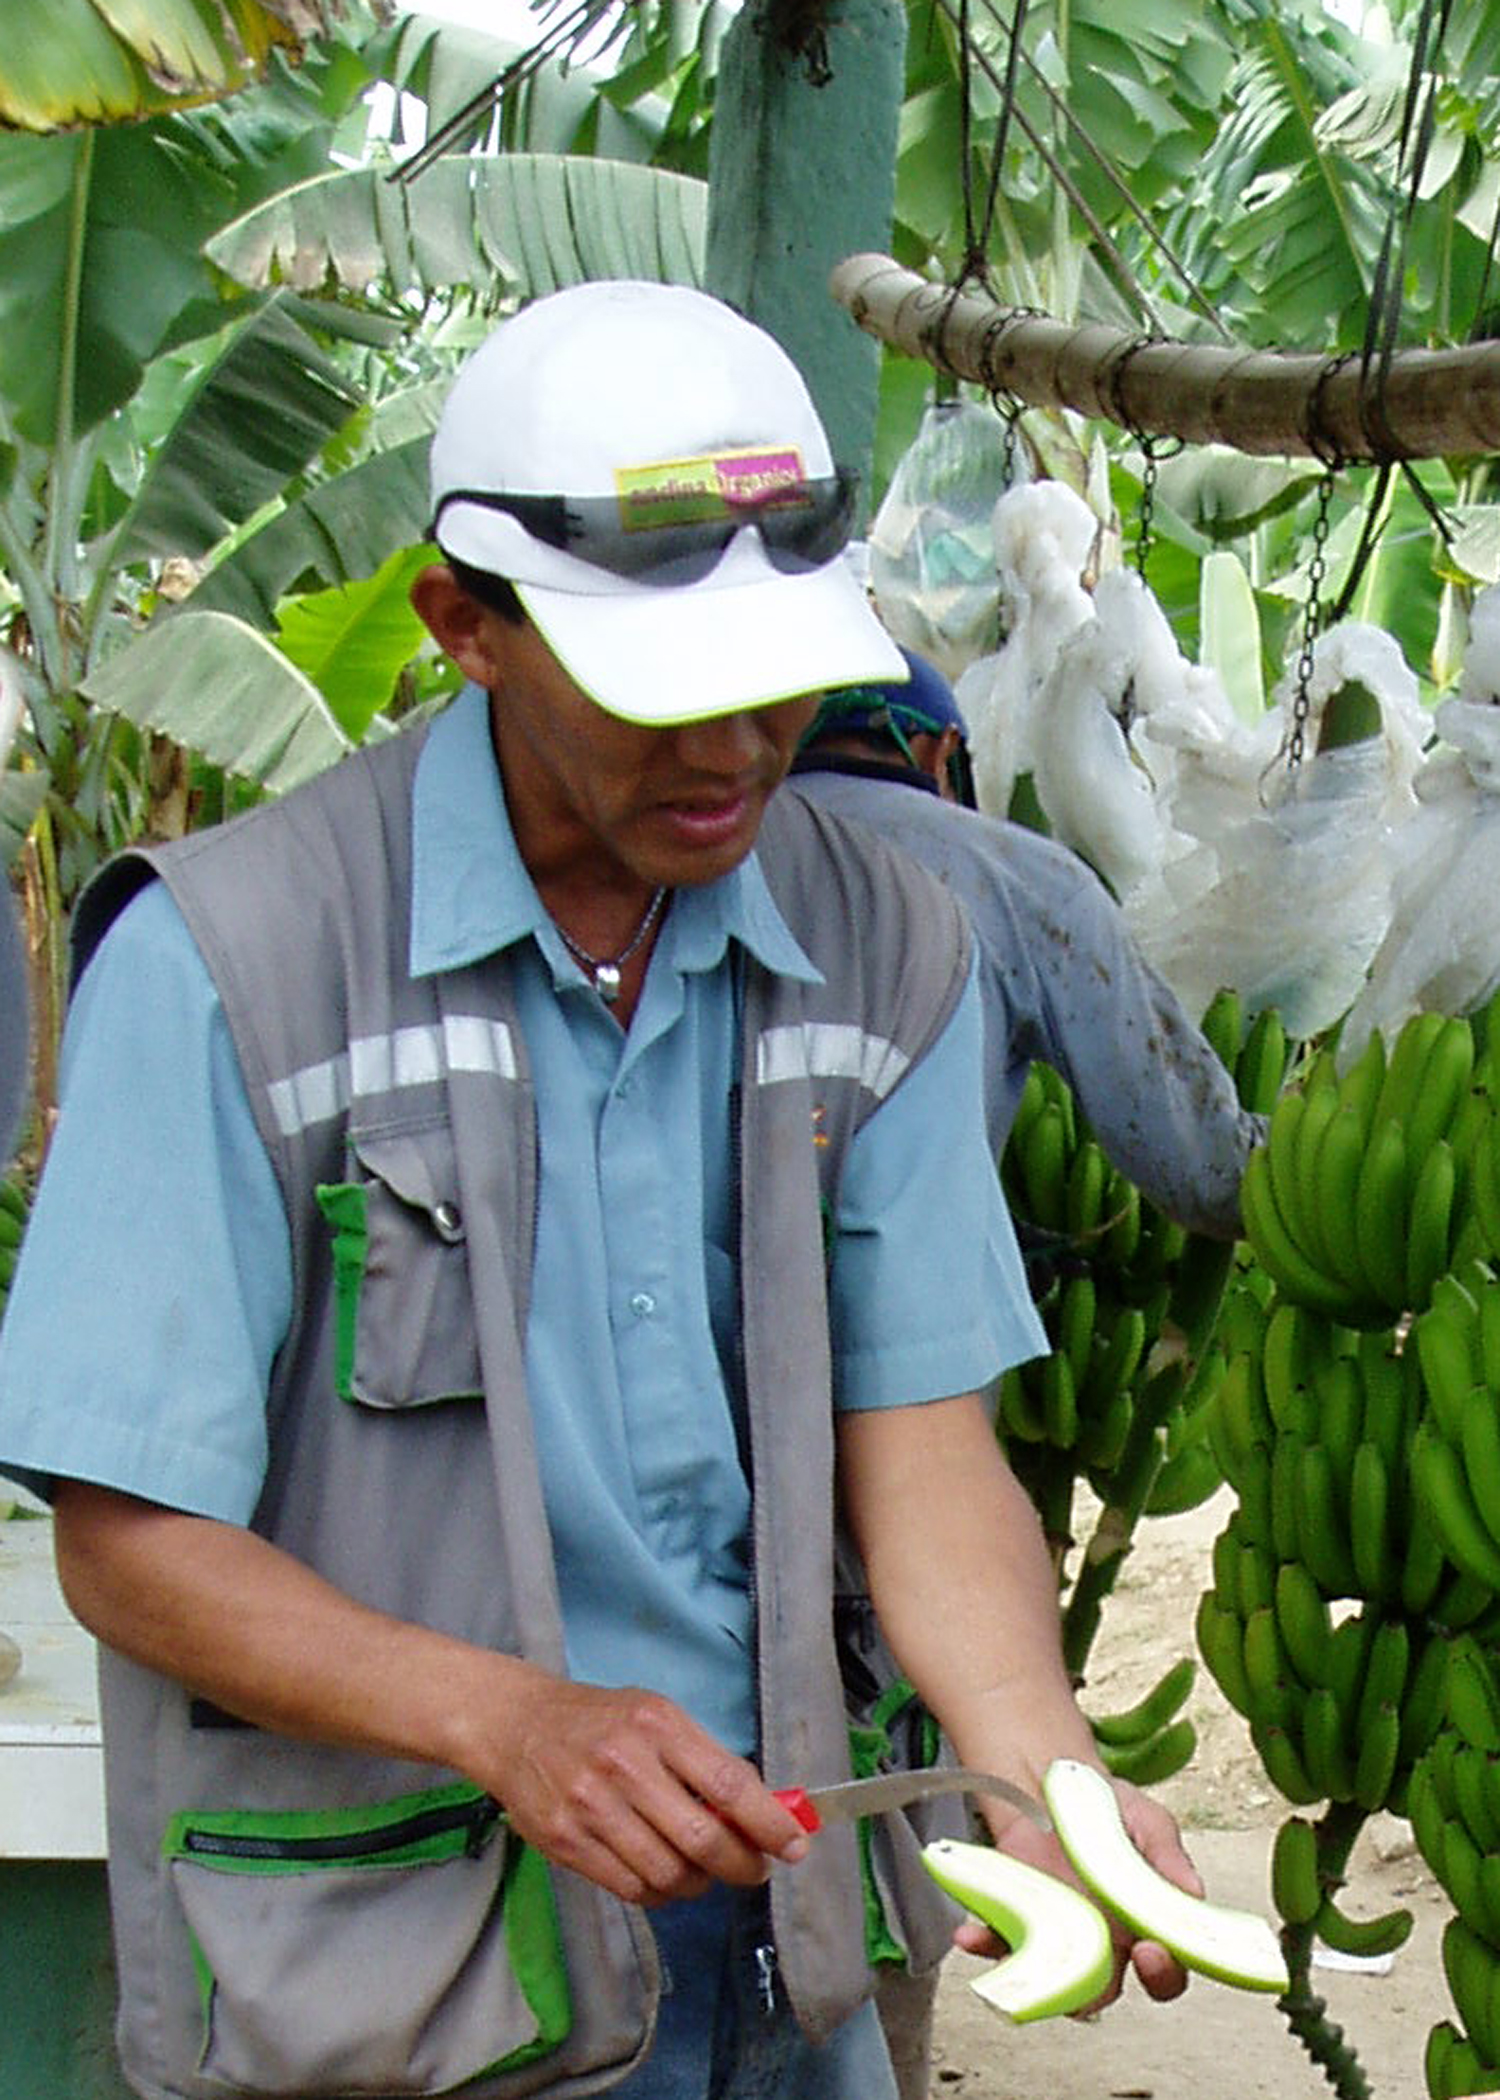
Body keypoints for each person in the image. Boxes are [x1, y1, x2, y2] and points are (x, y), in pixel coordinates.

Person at [0, 280, 1199, 2100]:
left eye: (772, 681)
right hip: (407, 1974)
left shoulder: (883, 948)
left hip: (787, 1925)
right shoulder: (234, 963)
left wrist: (1045, 1770)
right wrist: (512, 1724)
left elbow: (927, 1448)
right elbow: (129, 1542)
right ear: (463, 627)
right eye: (661, 694)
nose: (729, 753)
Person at [790, 647, 1263, 2100]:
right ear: (940, 759)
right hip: (900, 1431)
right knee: (877, 1781)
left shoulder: (672, 870)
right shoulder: (1002, 876)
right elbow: (1196, 1166)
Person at [790, 649, 1265, 1239]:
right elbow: (1203, 1171)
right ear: (939, 751)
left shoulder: (691, 867)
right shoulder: (1028, 880)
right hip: (911, 1300)